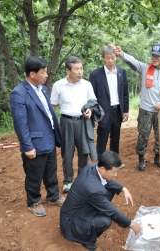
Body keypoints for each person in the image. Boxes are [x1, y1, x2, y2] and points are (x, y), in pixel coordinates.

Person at [10, 56, 64, 217]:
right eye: (43, 72)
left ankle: (53, 195)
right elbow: (21, 123)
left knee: (51, 170)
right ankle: (33, 201)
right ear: (32, 74)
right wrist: (27, 146)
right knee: (34, 174)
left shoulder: (43, 89)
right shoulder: (19, 93)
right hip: (34, 142)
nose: (46, 75)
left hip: (49, 138)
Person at [112, 43, 160, 171]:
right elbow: (133, 62)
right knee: (143, 134)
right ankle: (141, 158)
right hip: (145, 110)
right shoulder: (145, 68)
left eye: (158, 56)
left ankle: (158, 156)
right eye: (153, 55)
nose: (154, 58)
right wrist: (122, 54)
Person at [60, 151, 140, 251]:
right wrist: (131, 223)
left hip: (75, 211)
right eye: (114, 172)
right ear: (102, 169)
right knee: (105, 221)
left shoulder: (93, 167)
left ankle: (94, 216)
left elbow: (107, 182)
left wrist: (123, 189)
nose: (116, 175)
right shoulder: (93, 189)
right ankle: (86, 240)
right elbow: (112, 211)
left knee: (110, 191)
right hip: (71, 224)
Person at [51, 56, 99, 193]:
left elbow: (93, 102)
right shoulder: (58, 85)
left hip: (83, 122)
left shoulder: (86, 85)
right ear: (68, 70)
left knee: (84, 151)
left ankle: (82, 180)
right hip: (66, 122)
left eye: (81, 68)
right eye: (76, 69)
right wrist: (52, 125)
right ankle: (68, 181)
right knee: (67, 152)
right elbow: (52, 106)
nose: (80, 72)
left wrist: (90, 110)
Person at [89, 45, 129, 168]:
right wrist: (94, 115)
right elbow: (92, 97)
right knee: (102, 137)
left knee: (116, 136)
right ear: (103, 58)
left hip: (117, 110)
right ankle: (101, 162)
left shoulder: (122, 72)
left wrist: (125, 111)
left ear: (116, 57)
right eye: (107, 58)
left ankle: (115, 161)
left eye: (112, 57)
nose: (110, 61)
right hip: (103, 112)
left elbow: (125, 93)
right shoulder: (95, 74)